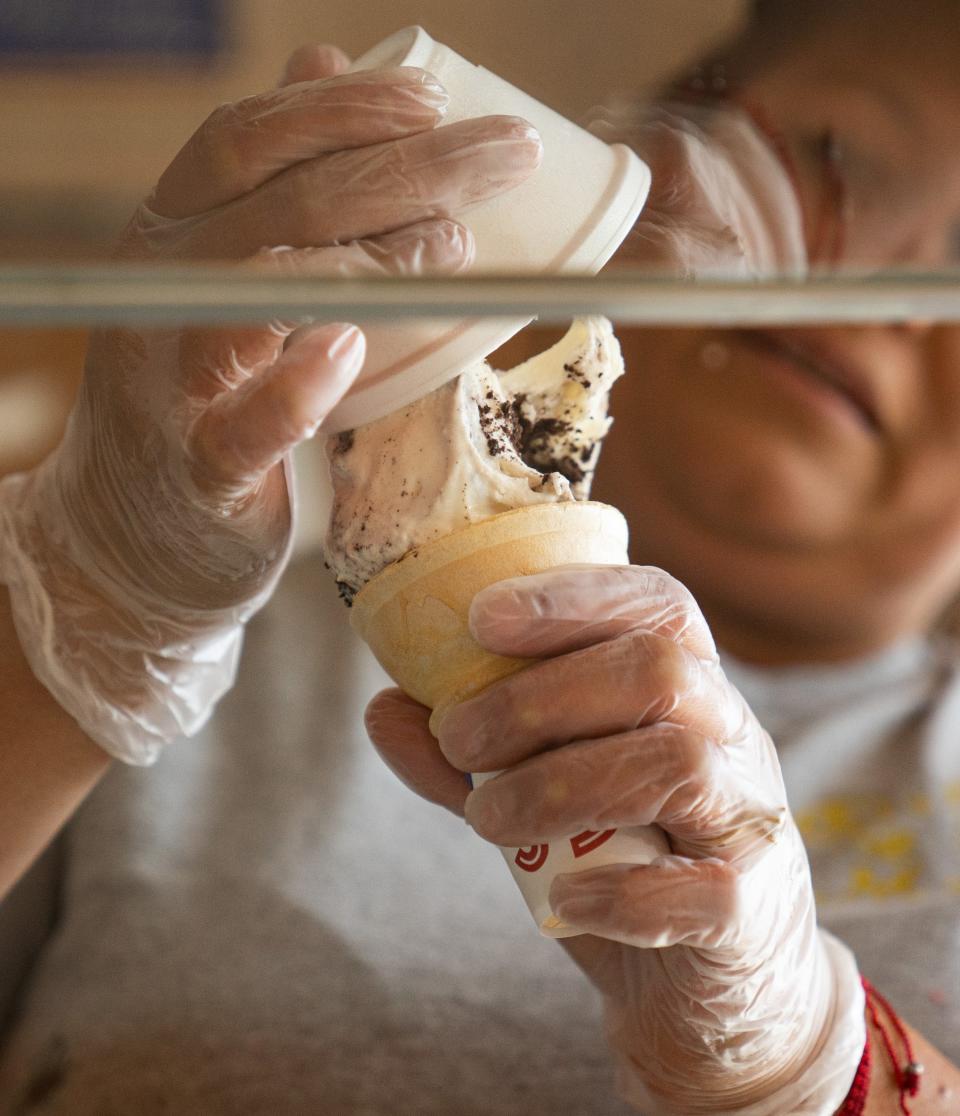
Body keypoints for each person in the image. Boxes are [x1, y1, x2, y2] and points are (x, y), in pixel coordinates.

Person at [2, 1, 960, 1112]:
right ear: (657, 150)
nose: (881, 287)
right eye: (834, 161)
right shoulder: (189, 647)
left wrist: (807, 1063)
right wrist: (76, 617)